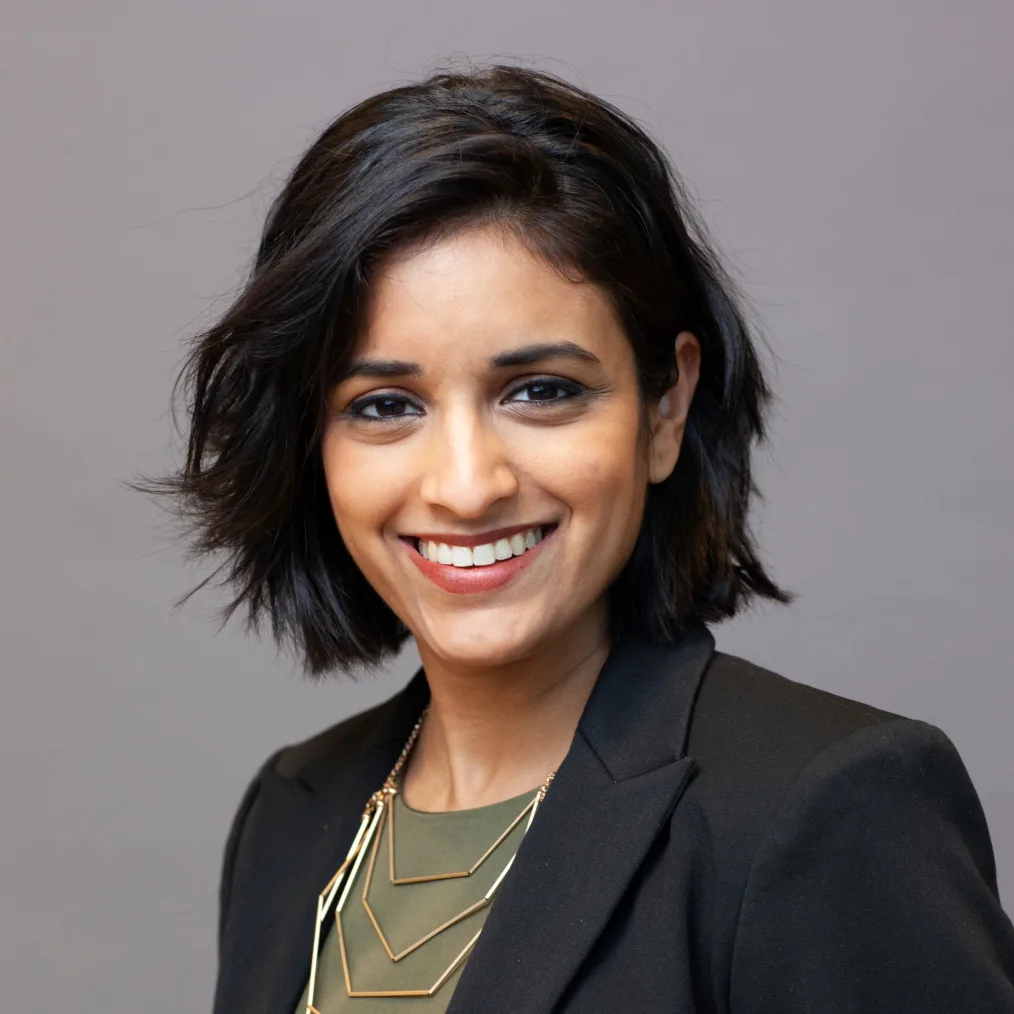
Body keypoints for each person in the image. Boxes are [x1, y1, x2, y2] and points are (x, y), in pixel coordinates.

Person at [150, 64, 1014, 1012]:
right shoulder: (292, 811)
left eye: (541, 391)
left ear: (664, 407)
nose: (468, 485)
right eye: (386, 405)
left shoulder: (830, 807)